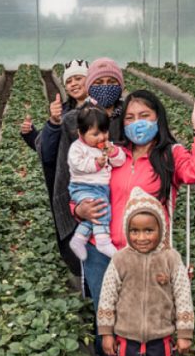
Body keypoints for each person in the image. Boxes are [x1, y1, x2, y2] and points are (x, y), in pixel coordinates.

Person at [74, 87, 195, 356]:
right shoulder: (110, 154)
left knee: (150, 321)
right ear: (122, 122)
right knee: (107, 319)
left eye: (145, 116)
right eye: (131, 117)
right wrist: (77, 208)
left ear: (158, 119)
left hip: (152, 257)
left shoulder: (170, 155)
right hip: (103, 252)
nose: (138, 123)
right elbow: (81, 185)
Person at [98, 187, 194, 356]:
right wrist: (107, 332)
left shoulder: (171, 259)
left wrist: (184, 332)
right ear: (127, 231)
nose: (142, 237)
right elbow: (107, 296)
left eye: (149, 230)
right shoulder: (120, 260)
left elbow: (182, 296)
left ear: (160, 229)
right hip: (126, 344)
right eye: (136, 231)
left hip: (160, 343)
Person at [45, 58, 126, 276]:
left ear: (121, 86)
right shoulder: (74, 120)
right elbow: (61, 169)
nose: (106, 87)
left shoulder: (132, 116)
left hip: (127, 210)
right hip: (90, 199)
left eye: (111, 81)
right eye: (99, 83)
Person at [21, 58, 89, 198]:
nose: (73, 84)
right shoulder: (63, 110)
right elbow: (50, 151)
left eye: (78, 78)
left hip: (93, 178)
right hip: (67, 179)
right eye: (69, 81)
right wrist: (31, 134)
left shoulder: (101, 109)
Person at [67, 106, 126, 261]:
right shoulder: (77, 148)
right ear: (81, 133)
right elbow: (77, 165)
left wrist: (113, 152)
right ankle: (103, 241)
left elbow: (120, 161)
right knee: (101, 208)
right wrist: (95, 164)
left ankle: (79, 239)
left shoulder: (106, 145)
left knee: (93, 215)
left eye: (104, 132)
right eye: (95, 134)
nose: (101, 137)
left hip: (101, 188)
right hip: (83, 186)